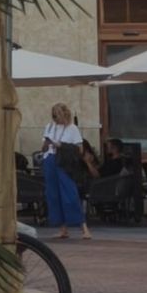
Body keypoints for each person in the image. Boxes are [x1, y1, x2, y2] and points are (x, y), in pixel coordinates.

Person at [42, 102, 90, 240]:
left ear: (64, 115)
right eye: (53, 116)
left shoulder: (72, 128)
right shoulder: (49, 126)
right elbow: (43, 148)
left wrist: (61, 145)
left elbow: (80, 149)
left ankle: (84, 228)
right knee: (53, 195)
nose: (55, 119)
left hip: (64, 163)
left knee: (70, 194)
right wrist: (47, 144)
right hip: (50, 159)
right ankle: (63, 229)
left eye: (57, 116)